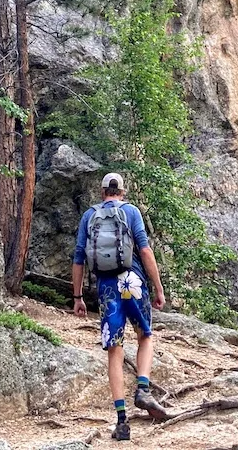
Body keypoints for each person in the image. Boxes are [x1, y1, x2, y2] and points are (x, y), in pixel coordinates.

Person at [72, 172, 170, 441]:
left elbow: (79, 257)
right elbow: (146, 250)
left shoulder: (89, 216)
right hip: (133, 281)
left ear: (102, 192)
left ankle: (122, 421)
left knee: (114, 350)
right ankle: (142, 388)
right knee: (145, 336)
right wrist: (158, 287)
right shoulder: (130, 212)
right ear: (122, 192)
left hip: (106, 289)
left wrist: (78, 297)